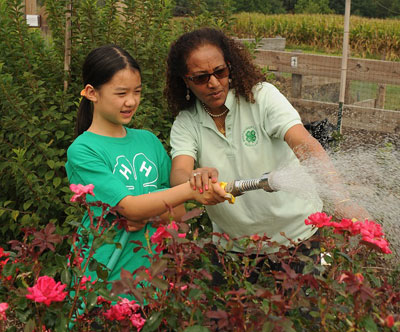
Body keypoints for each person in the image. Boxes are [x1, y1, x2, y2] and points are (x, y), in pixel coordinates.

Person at [165, 27, 367, 259]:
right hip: (234, 250)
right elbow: (179, 173)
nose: (213, 83)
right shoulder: (187, 122)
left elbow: (304, 144)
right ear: (185, 81)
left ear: (230, 67)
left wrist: (341, 200)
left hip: (297, 240)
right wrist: (194, 179)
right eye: (201, 77)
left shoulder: (261, 98)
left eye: (219, 72)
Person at [65, 44, 227, 284]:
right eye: (121, 94)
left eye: (137, 92)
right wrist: (188, 190)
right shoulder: (84, 150)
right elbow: (130, 207)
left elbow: (178, 214)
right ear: (91, 92)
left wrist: (148, 212)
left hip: (149, 282)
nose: (131, 101)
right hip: (101, 279)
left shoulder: (148, 141)